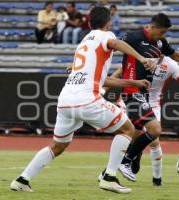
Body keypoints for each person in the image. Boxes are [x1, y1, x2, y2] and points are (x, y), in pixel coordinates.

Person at [10, 6, 155, 194]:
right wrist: (142, 59)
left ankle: (22, 179)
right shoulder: (105, 35)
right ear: (108, 22)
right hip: (87, 99)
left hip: (66, 100)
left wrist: (133, 82)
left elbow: (102, 79)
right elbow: (116, 43)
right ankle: (109, 177)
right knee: (127, 129)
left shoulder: (84, 41)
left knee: (58, 146)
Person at [98, 13, 179, 186]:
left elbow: (176, 56)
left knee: (132, 136)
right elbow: (110, 46)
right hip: (132, 91)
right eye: (162, 32)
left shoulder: (160, 44)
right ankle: (127, 161)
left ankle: (109, 172)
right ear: (152, 27)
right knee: (155, 129)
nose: (163, 36)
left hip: (143, 95)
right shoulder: (134, 37)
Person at [106, 56, 179, 185]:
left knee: (154, 140)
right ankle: (116, 167)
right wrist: (103, 88)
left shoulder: (170, 64)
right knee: (128, 135)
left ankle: (157, 180)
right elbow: (119, 73)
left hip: (153, 104)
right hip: (132, 99)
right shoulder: (139, 55)